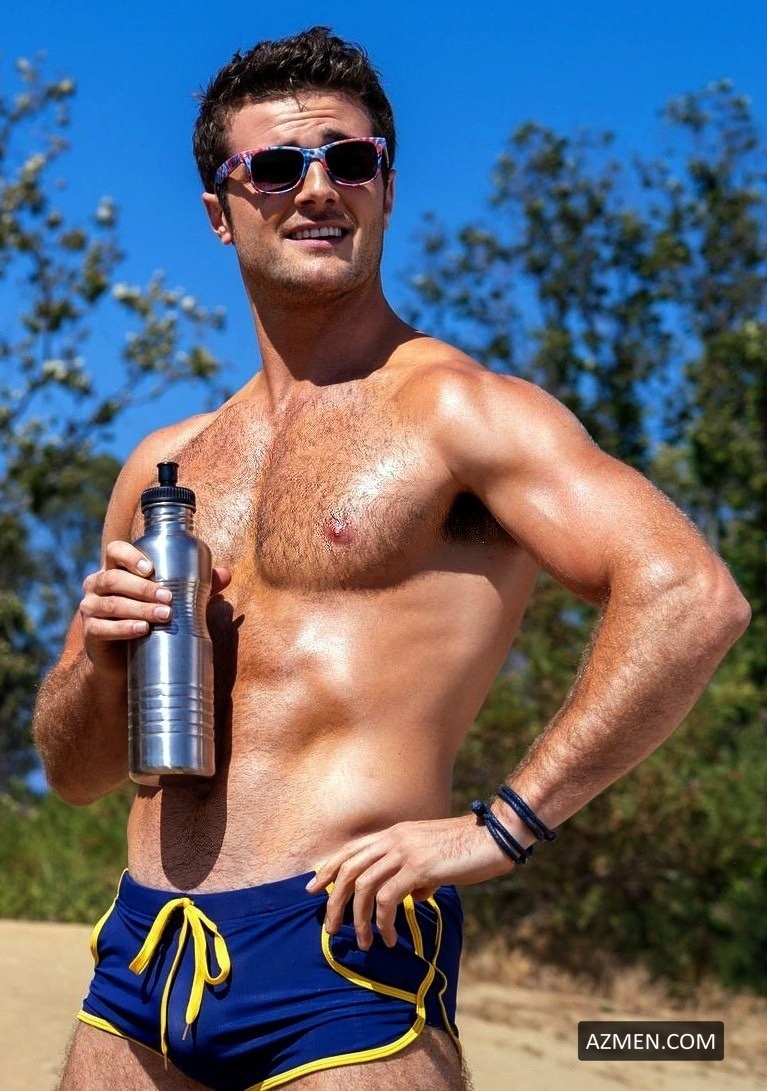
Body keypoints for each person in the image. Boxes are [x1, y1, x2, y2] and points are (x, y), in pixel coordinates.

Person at [33, 25, 750, 1091]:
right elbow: (75, 773)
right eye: (277, 166)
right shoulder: (164, 465)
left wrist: (502, 828)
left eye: (351, 159)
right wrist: (100, 657)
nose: (318, 188)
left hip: (340, 962)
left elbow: (689, 594)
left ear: (387, 186)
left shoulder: (459, 413)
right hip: (142, 964)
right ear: (220, 211)